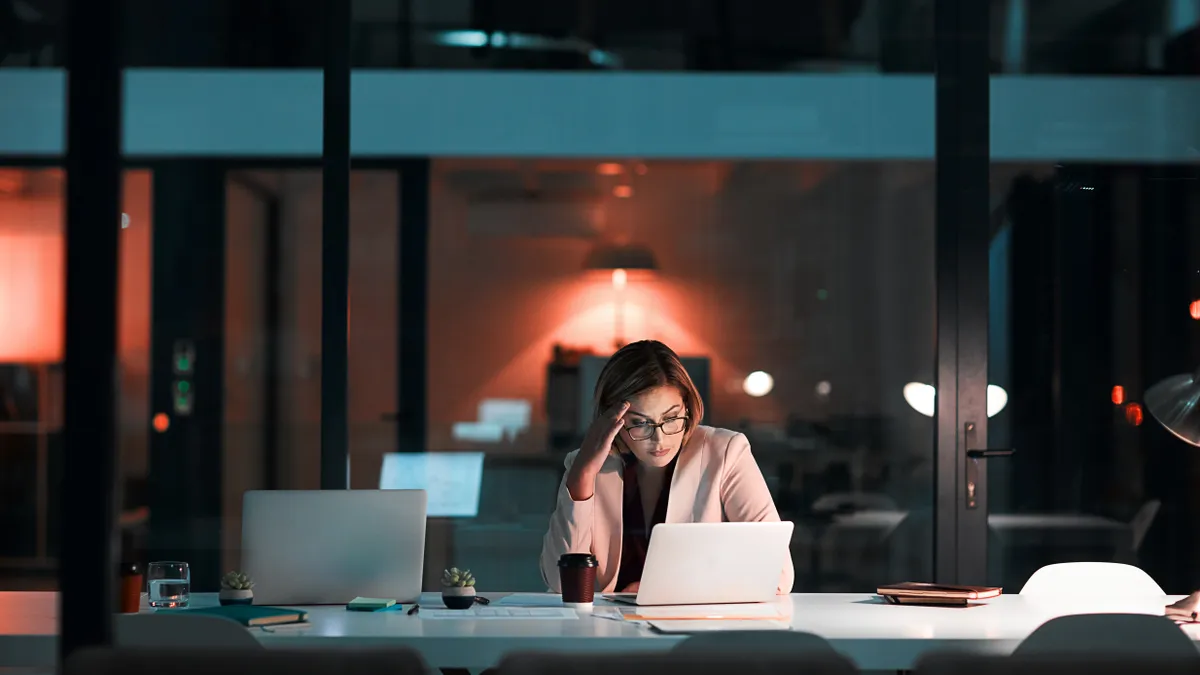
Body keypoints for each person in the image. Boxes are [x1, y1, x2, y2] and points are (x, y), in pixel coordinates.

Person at [540, 340, 795, 595]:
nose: (659, 439)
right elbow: (560, 583)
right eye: (640, 423)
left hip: (695, 626)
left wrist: (663, 589)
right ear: (612, 421)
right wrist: (584, 474)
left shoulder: (725, 451)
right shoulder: (586, 466)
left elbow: (777, 575)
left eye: (671, 418)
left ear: (687, 406)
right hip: (610, 628)